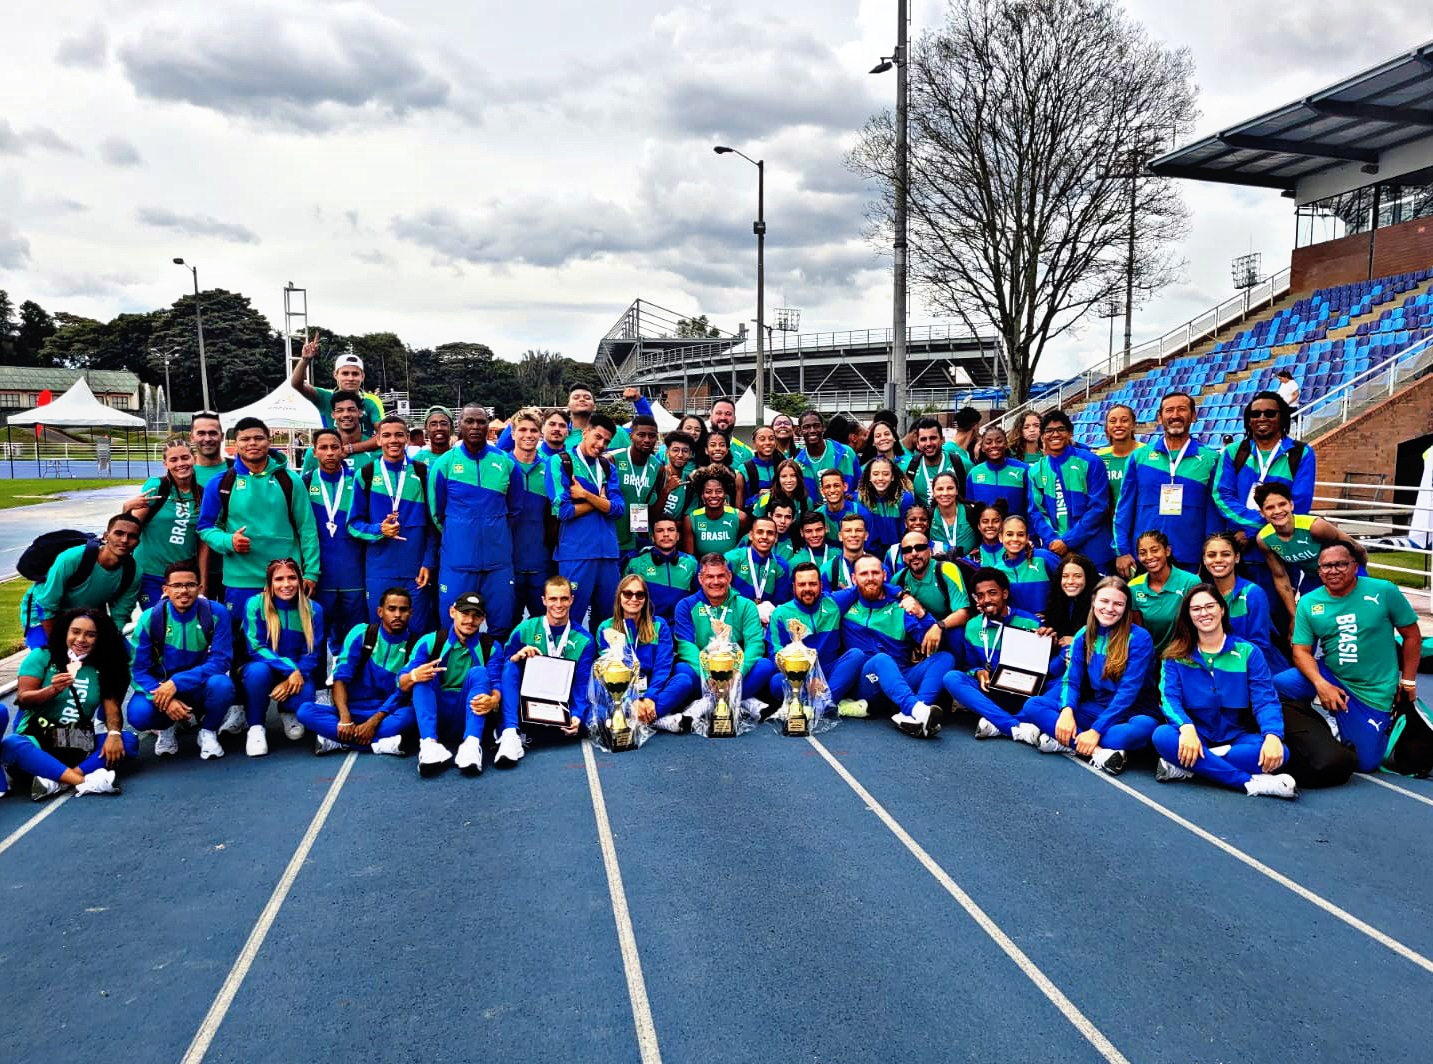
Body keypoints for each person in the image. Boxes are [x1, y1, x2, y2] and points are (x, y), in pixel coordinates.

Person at [1274, 542, 1422, 779]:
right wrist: (1322, 686)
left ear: (1355, 566)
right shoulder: (1310, 602)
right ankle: (1323, 723)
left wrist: (1408, 682)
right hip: (1331, 674)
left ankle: (1379, 721)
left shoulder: (1384, 591)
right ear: (1318, 571)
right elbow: (1301, 651)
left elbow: (1412, 636)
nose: (1333, 571)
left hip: (1372, 690)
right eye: (1326, 566)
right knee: (1277, 686)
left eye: (1340, 564)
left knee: (1365, 763)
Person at [1152, 585, 1297, 797]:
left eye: (1210, 606)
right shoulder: (1175, 655)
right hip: (1195, 735)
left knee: (1280, 752)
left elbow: (1265, 699)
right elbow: (1168, 698)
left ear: (1221, 609)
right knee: (1162, 735)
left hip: (1237, 736)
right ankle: (1249, 783)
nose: (1204, 613)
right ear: (1188, 615)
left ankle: (1189, 765)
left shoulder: (1248, 652)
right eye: (1196, 609)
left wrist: (1273, 735)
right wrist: (1186, 728)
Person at [1016, 576, 1159, 774]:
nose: (1110, 608)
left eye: (1118, 604)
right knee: (1033, 705)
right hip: (1097, 707)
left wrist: (1096, 731)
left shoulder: (1139, 638)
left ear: (1126, 608)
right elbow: (1071, 680)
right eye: (1104, 601)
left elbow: (1128, 692)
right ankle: (1099, 753)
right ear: (1093, 602)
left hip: (1135, 711)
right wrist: (1067, 712)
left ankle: (1066, 741)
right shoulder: (1083, 635)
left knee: (1131, 732)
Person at [2, 608, 135, 799]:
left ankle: (57, 780)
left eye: (91, 635)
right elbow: (23, 699)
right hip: (38, 738)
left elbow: (112, 711)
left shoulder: (104, 667)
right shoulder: (42, 656)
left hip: (76, 741)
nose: (81, 639)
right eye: (76, 632)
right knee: (11, 744)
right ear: (65, 631)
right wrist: (52, 690)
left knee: (127, 741)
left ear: (100, 639)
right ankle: (84, 782)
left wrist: (114, 734)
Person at [197, 417, 319, 622]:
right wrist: (229, 541)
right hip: (240, 581)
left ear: (269, 441)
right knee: (243, 645)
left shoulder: (290, 481)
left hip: (285, 580)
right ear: (235, 445)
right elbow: (205, 527)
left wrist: (311, 573)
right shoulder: (221, 483)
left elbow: (307, 529)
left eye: (258, 438)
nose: (252, 443)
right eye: (245, 439)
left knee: (286, 642)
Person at [825, 554, 950, 738]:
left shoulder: (901, 608)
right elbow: (817, 603)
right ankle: (915, 709)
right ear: (854, 578)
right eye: (864, 573)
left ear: (884, 575)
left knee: (945, 658)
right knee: (881, 659)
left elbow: (927, 640)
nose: (870, 578)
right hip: (867, 683)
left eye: (875, 573)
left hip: (901, 679)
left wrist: (922, 613)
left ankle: (916, 714)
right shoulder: (845, 607)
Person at [1213, 393, 1315, 614]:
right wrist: (1254, 527)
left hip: (1280, 551)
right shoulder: (1234, 452)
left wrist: (1250, 533)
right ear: (1248, 420)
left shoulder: (1300, 453)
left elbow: (1299, 504)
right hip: (1239, 554)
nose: (1262, 418)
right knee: (1237, 620)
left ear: (1282, 417)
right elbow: (1221, 495)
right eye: (1255, 413)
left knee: (1276, 621)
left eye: (1270, 413)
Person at [126, 560, 236, 760]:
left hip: (199, 685)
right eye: (176, 585)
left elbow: (221, 661)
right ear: (165, 589)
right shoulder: (151, 618)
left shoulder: (216, 613)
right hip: (161, 686)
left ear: (200, 587)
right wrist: (164, 698)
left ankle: (208, 731)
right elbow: (137, 670)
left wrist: (176, 683)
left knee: (223, 685)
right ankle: (166, 727)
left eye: (190, 585)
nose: (184, 591)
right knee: (139, 714)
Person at [430, 403, 522, 635]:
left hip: (498, 563)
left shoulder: (506, 463)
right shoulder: (444, 464)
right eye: (469, 421)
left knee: (501, 629)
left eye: (481, 421)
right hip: (457, 563)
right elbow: (436, 513)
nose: (475, 426)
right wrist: (461, 532)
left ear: (488, 425)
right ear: (459, 425)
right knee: (453, 629)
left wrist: (494, 531)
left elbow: (515, 510)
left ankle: (494, 671)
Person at [297, 587, 417, 756]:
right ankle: (379, 744)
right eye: (392, 609)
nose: (397, 614)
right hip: (350, 710)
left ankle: (338, 740)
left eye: (403, 610)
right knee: (305, 711)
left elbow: (401, 693)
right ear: (380, 611)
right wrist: (345, 719)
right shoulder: (361, 633)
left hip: (384, 714)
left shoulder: (415, 645)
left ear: (410, 613)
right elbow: (340, 679)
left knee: (411, 715)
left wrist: (373, 722)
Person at [944, 567, 1057, 740]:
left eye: (992, 593)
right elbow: (969, 665)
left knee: (1058, 686)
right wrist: (977, 671)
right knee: (951, 678)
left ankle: (999, 724)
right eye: (980, 595)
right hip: (990, 691)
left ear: (1005, 594)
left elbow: (1044, 668)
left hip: (1024, 693)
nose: (986, 600)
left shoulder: (1030, 621)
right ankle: (1014, 727)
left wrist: (1050, 643)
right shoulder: (973, 626)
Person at [350, 414, 438, 634]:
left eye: (399, 435)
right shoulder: (366, 474)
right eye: (386, 435)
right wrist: (379, 529)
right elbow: (353, 524)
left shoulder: (422, 473)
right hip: (380, 570)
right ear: (378, 440)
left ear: (407, 438)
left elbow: (433, 525)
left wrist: (428, 562)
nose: (393, 440)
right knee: (381, 632)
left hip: (416, 570)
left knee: (417, 634)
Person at [1114, 391, 1221, 574]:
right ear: (1159, 417)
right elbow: (1124, 508)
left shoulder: (1210, 459)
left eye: (1182, 409)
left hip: (1190, 556)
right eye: (1169, 410)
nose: (1175, 415)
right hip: (1145, 556)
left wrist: (1212, 550)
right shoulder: (1140, 457)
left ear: (1193, 416)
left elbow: (1214, 512)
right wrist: (1122, 550)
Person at [403, 591, 503, 776]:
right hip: (435, 714)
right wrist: (414, 675)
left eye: (476, 616)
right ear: (452, 612)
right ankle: (429, 745)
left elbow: (496, 681)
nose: (470, 620)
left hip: (469, 715)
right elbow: (401, 682)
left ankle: (471, 745)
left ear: (483, 619)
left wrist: (494, 700)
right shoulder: (429, 641)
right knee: (424, 674)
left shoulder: (491, 646)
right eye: (465, 614)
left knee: (479, 673)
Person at [499, 576, 597, 764]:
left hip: (561, 703)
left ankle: (526, 731)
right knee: (510, 667)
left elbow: (581, 683)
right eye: (553, 599)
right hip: (528, 699)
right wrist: (518, 656)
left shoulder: (584, 640)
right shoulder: (525, 629)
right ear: (544, 600)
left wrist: (576, 715)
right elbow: (504, 663)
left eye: (563, 598)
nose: (558, 604)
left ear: (571, 600)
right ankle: (511, 732)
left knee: (594, 717)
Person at [672, 554, 775, 726]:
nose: (716, 581)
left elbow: (755, 645)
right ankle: (741, 700)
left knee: (765, 666)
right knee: (682, 670)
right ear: (701, 579)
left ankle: (708, 703)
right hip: (703, 673)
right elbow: (686, 647)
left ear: (729, 577)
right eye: (710, 576)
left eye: (721, 576)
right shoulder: (685, 605)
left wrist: (738, 673)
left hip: (736, 671)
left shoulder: (745, 605)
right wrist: (707, 676)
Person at [239, 558, 324, 756]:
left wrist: (293, 677)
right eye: (279, 579)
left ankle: (287, 709)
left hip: (296, 673)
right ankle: (256, 726)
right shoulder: (255, 604)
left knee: (304, 700)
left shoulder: (314, 609)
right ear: (269, 584)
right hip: (264, 667)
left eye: (292, 578)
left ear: (300, 580)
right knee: (257, 673)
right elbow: (255, 647)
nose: (286, 585)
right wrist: (290, 670)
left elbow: (311, 654)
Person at [21, 512, 142, 649]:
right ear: (106, 536)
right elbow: (46, 606)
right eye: (119, 533)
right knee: (47, 658)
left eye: (132, 536)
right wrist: (57, 646)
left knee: (125, 657)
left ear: (138, 541)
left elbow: (119, 616)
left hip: (85, 616)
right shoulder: (72, 558)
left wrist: (110, 644)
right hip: (44, 613)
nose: (125, 540)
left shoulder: (133, 571)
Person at [549, 413, 626, 628]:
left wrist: (585, 495)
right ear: (585, 432)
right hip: (577, 553)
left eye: (607, 441)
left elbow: (619, 509)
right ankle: (569, 662)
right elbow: (563, 510)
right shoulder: (561, 462)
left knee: (608, 623)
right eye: (597, 437)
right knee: (569, 619)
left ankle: (604, 662)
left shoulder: (607, 466)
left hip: (608, 554)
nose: (601, 445)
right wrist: (601, 502)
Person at [1253, 482, 1366, 625]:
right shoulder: (1265, 540)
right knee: (1307, 620)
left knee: (1358, 620)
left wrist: (1362, 574)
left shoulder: (1315, 527)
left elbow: (1356, 548)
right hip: (1313, 577)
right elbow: (1280, 576)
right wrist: (1294, 616)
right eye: (1270, 507)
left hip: (1345, 572)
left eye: (1282, 504)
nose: (1277, 511)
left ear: (1291, 505)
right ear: (1262, 513)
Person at [595, 574, 697, 731]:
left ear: (645, 599)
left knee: (683, 680)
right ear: (619, 597)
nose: (634, 599)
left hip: (652, 688)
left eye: (639, 594)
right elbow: (609, 672)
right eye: (628, 594)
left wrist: (649, 697)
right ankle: (658, 720)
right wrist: (632, 699)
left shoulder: (659, 625)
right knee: (598, 685)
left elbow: (662, 668)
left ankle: (634, 719)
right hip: (622, 690)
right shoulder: (606, 628)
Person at [302, 428, 366, 662]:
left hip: (353, 570)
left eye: (334, 447)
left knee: (356, 629)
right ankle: (319, 683)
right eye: (323, 448)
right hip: (321, 571)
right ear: (314, 452)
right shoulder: (305, 482)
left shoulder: (358, 480)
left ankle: (352, 678)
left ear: (342, 450)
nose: (329, 453)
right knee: (319, 630)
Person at [1027, 410, 1113, 571]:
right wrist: (1054, 541)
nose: (1055, 435)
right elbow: (1036, 512)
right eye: (1049, 431)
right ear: (1042, 436)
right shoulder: (1035, 471)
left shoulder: (1091, 462)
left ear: (1070, 433)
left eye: (1060, 429)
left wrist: (1068, 541)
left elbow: (1098, 508)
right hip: (1055, 551)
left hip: (1094, 550)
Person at [124, 437, 203, 610]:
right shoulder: (157, 486)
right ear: (165, 463)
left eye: (185, 458)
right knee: (158, 622)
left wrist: (202, 581)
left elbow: (203, 543)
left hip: (182, 577)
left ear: (194, 458)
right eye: (173, 460)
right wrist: (126, 508)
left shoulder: (202, 494)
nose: (180, 463)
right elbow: (130, 527)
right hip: (149, 574)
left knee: (181, 623)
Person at [1197, 531, 1285, 672]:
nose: (1218, 560)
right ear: (1204, 560)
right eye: (1211, 555)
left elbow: (1260, 646)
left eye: (1226, 554)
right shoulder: (1200, 596)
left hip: (1257, 670)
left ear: (1237, 557)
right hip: (1215, 668)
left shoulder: (1253, 593)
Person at [766, 562, 844, 702]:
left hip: (829, 670)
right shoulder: (780, 614)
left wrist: (897, 592)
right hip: (798, 674)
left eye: (812, 584)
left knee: (856, 656)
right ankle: (829, 701)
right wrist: (806, 678)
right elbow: (775, 655)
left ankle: (823, 702)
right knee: (776, 683)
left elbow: (864, 585)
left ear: (820, 585)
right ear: (794, 587)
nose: (807, 589)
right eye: (802, 584)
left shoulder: (834, 603)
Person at [291, 332, 384, 446]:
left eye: (355, 374)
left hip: (364, 454)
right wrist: (305, 360)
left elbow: (384, 433)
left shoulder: (371, 401)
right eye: (345, 373)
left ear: (362, 376)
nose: (350, 378)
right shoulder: (325, 396)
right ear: (335, 375)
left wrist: (351, 449)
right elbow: (297, 384)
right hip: (332, 453)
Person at [508, 407, 556, 623]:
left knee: (542, 627)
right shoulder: (502, 466)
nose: (528, 435)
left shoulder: (551, 468)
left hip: (542, 562)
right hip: (508, 562)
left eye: (534, 430)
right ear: (512, 433)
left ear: (540, 434)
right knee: (508, 626)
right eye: (523, 430)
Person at [890, 531, 971, 654]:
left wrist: (939, 626)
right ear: (903, 556)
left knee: (957, 635)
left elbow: (963, 613)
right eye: (907, 550)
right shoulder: (898, 579)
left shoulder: (947, 569)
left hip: (946, 628)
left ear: (930, 551)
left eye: (920, 548)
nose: (914, 554)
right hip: (917, 630)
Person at [1128, 530, 1202, 654]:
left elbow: (1196, 624)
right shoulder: (1133, 587)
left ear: (1167, 551)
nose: (1149, 557)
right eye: (1143, 553)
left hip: (1184, 653)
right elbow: (1139, 631)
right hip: (1149, 654)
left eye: (1155, 550)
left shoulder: (1191, 582)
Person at [625, 515, 699, 620]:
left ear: (678, 536)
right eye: (660, 531)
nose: (666, 534)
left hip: (681, 624)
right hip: (648, 625)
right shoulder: (636, 563)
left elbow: (700, 598)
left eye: (671, 530)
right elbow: (625, 601)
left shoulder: (691, 563)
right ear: (653, 537)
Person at [614, 414, 665, 561]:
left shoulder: (658, 467)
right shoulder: (613, 459)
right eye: (641, 435)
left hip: (640, 536)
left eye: (652, 436)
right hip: (613, 537)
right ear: (631, 436)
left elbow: (654, 508)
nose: (647, 440)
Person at [725, 515, 791, 619]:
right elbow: (722, 594)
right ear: (751, 535)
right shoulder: (732, 559)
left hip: (765, 620)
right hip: (733, 616)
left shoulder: (781, 566)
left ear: (776, 538)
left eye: (770, 533)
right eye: (760, 532)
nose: (764, 536)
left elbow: (779, 602)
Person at [302, 390, 378, 474]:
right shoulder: (314, 453)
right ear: (333, 415)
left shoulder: (377, 451)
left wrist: (351, 448)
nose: (346, 414)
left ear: (360, 413)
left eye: (351, 410)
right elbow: (304, 485)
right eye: (340, 410)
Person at [1093, 404, 1146, 517]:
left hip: (1142, 522)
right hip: (1111, 524)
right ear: (1107, 427)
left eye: (1124, 420)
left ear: (1133, 425)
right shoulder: (1100, 457)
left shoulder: (1147, 454)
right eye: (1112, 421)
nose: (1118, 425)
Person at [966, 426, 1029, 520]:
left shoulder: (1023, 470)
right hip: (985, 532)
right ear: (982, 447)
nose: (994, 445)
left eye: (999, 441)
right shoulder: (974, 473)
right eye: (988, 442)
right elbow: (970, 509)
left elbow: (1032, 507)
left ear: (1006, 444)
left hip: (1014, 531)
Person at [682, 465, 746, 558]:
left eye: (719, 491)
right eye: (708, 491)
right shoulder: (691, 519)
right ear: (702, 495)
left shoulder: (740, 517)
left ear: (725, 494)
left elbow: (743, 554)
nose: (714, 495)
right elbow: (690, 560)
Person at [856, 456, 912, 559]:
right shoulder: (861, 499)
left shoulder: (905, 499)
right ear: (869, 477)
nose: (880, 478)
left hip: (899, 554)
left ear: (892, 477)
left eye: (886, 474)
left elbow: (905, 532)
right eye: (875, 474)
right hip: (872, 554)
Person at [906, 416, 967, 508]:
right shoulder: (909, 467)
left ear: (942, 440)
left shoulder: (962, 464)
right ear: (918, 444)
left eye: (933, 438)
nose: (928, 443)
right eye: (923, 439)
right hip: (923, 521)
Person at [795, 411, 858, 497]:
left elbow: (861, 486)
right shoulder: (797, 464)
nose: (812, 430)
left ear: (823, 427)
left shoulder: (846, 452)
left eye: (816, 426)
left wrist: (852, 497)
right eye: (806, 427)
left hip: (846, 509)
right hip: (814, 510)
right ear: (800, 431)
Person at [1043, 554, 1099, 650]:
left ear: (1088, 578)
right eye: (1065, 576)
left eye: (1077, 576)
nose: (1070, 581)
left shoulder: (1100, 605)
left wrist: (1077, 641)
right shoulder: (1058, 600)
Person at [882, 502, 950, 572]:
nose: (918, 523)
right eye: (912, 519)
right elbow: (888, 580)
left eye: (923, 519)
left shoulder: (944, 548)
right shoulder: (893, 552)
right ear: (905, 523)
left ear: (928, 524)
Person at [813, 467, 870, 543]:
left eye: (836, 485)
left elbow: (870, 545)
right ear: (822, 491)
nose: (832, 490)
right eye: (827, 487)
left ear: (845, 487)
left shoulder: (860, 512)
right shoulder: (818, 515)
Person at [928, 470, 977, 557]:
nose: (945, 493)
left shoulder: (971, 513)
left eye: (950, 488)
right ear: (933, 492)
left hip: (970, 568)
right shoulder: (928, 517)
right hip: (940, 568)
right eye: (940, 489)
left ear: (957, 490)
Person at [821, 513, 873, 592]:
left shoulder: (879, 568)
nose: (853, 534)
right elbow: (823, 602)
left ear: (866, 535)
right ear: (840, 536)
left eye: (858, 530)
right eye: (848, 531)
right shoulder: (826, 570)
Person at [752, 458, 813, 524]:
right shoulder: (766, 499)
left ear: (799, 478)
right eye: (784, 476)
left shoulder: (807, 501)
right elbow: (756, 525)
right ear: (778, 479)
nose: (789, 480)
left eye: (793, 475)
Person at [738, 425, 781, 507]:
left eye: (771, 439)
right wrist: (757, 497)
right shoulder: (745, 469)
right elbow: (739, 508)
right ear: (754, 443)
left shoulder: (782, 465)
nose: (767, 443)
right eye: (762, 439)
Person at [657, 431, 698, 517]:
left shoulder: (690, 483)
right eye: (675, 450)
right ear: (667, 452)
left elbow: (687, 518)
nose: (680, 455)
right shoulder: (657, 475)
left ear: (690, 454)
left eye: (685, 451)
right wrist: (667, 489)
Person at [188, 410, 229, 489]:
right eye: (201, 433)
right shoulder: (181, 473)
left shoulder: (237, 469)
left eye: (213, 433)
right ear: (191, 437)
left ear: (222, 436)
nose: (207, 439)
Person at [709, 398, 754, 464]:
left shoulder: (746, 453)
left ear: (735, 419)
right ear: (711, 418)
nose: (723, 417)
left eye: (728, 414)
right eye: (718, 413)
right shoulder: (698, 449)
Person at [968, 502, 1007, 569]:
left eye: (996, 521)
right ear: (979, 526)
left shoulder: (1012, 552)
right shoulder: (971, 557)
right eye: (985, 521)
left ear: (1002, 524)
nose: (990, 525)